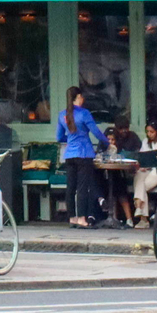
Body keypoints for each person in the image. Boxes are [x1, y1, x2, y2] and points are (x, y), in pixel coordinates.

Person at [56, 86, 105, 228]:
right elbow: (96, 132)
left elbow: (59, 137)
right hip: (84, 154)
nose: (83, 99)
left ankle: (72, 218)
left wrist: (71, 138)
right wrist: (106, 141)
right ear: (77, 97)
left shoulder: (61, 115)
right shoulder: (84, 113)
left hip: (69, 155)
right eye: (82, 96)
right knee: (83, 187)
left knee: (70, 187)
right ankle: (83, 218)